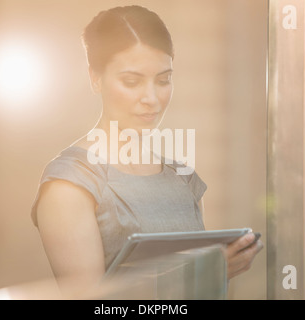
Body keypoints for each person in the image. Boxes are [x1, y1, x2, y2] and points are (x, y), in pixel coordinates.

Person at [31, 5, 263, 298]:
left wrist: (219, 268)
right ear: (95, 78)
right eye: (132, 81)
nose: (152, 99)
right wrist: (209, 270)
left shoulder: (182, 179)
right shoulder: (70, 183)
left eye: (163, 80)